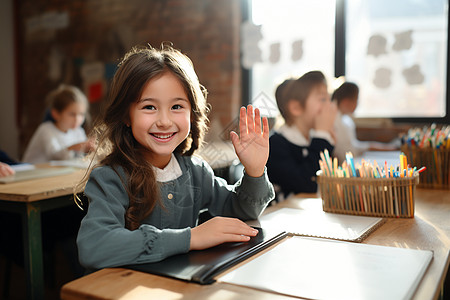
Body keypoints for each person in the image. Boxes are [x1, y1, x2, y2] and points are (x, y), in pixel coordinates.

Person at [76, 44, 274, 271]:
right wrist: (191, 238)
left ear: (192, 113)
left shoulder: (195, 171)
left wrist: (255, 170)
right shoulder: (110, 178)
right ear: (126, 116)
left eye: (177, 106)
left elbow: (242, 210)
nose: (164, 121)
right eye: (149, 107)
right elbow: (94, 246)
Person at [266, 71, 337, 198]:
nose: (329, 106)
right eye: (322, 99)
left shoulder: (313, 139)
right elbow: (307, 184)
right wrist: (321, 137)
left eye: (329, 98)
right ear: (296, 108)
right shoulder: (276, 144)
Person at [22, 84, 95, 164]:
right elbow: (54, 156)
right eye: (72, 114)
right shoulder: (46, 130)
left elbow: (81, 156)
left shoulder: (78, 131)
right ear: (56, 114)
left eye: (81, 114)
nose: (77, 119)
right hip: (33, 172)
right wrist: (73, 147)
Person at [332, 82, 399, 163]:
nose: (357, 104)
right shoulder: (335, 120)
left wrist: (382, 147)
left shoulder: (346, 119)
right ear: (346, 101)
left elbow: (353, 146)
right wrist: (376, 147)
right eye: (356, 100)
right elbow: (346, 153)